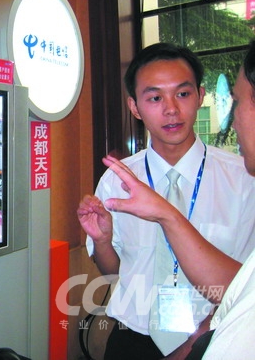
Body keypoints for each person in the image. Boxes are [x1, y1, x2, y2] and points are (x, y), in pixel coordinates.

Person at [77, 43, 255, 359]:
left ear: (200, 96)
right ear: (134, 107)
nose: (171, 109)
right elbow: (114, 274)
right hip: (131, 337)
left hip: (214, 338)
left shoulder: (243, 178)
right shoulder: (117, 179)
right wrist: (102, 241)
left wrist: (197, 342)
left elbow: (246, 285)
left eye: (182, 94)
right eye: (155, 98)